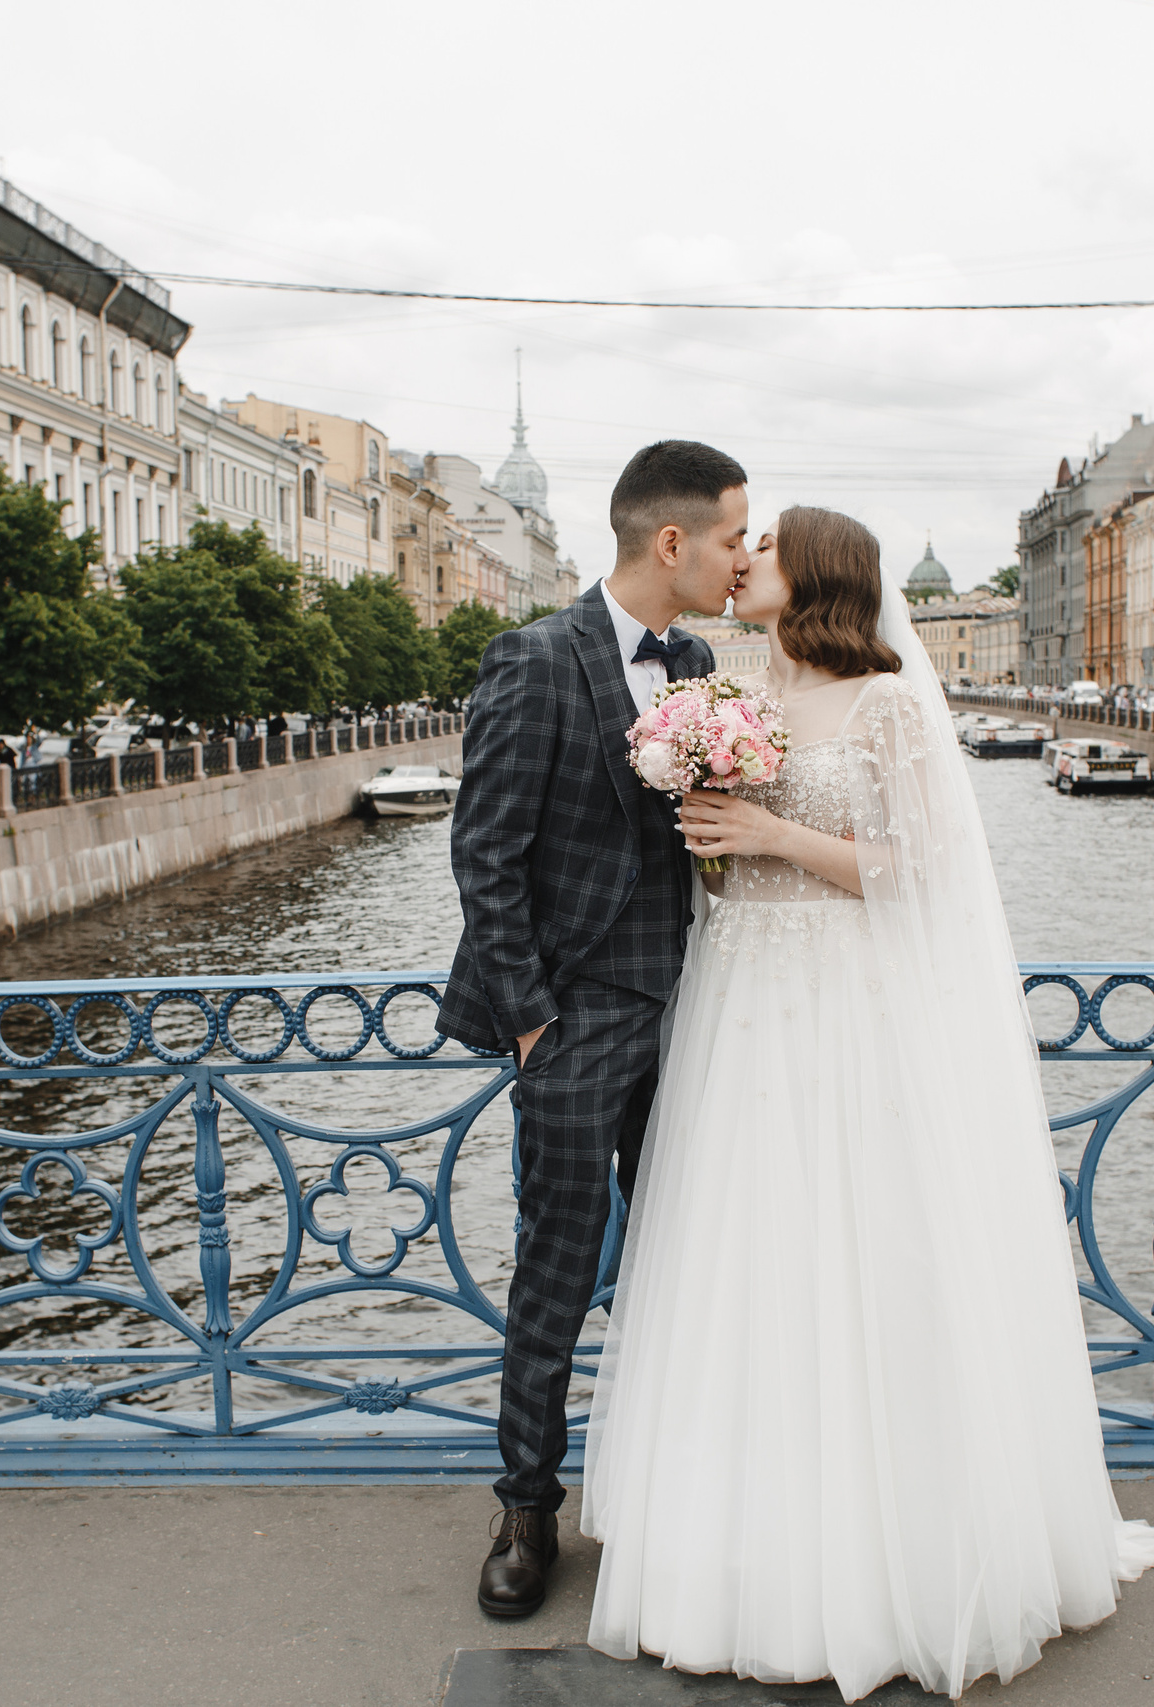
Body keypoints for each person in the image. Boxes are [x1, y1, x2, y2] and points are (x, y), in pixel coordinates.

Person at [585, 508, 1154, 1701]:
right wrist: (713, 837)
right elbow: (722, 864)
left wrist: (765, 829)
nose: (741, 559)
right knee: (746, 1260)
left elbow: (922, 872)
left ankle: (888, 1555)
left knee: (865, 1253)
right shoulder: (728, 695)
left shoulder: (890, 704)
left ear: (818, 575)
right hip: (739, 1006)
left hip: (848, 1010)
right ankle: (741, 1556)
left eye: (764, 546)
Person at [441, 440, 746, 1621]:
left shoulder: (699, 662)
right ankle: (526, 1512)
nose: (738, 560)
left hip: (697, 1017)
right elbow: (485, 855)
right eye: (729, 537)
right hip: (576, 1022)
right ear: (671, 542)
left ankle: (673, 1496)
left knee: (688, 1265)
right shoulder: (532, 657)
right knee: (558, 1272)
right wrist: (531, 1024)